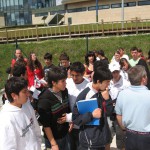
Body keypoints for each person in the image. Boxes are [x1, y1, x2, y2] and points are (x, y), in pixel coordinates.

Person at [72, 66, 113, 150]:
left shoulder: (104, 92)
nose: (108, 85)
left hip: (102, 139)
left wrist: (108, 100)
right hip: (90, 142)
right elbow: (75, 118)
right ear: (98, 81)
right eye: (107, 82)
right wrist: (91, 115)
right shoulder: (85, 95)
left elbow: (109, 113)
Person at [0, 77, 42, 150]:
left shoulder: (27, 105)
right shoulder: (6, 119)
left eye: (27, 90)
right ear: (14, 96)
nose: (28, 94)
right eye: (24, 92)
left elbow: (36, 129)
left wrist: (38, 143)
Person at [115, 65, 150, 150]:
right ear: (144, 78)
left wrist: (124, 128)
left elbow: (119, 115)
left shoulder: (122, 94)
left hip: (130, 134)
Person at [37, 66, 71, 150]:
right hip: (54, 140)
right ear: (54, 83)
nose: (65, 83)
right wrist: (53, 144)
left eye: (65, 80)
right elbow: (46, 125)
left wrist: (70, 121)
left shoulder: (64, 91)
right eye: (62, 81)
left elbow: (67, 109)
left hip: (66, 134)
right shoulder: (44, 100)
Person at [66, 62, 89, 150]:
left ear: (83, 74)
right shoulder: (67, 83)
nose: (74, 78)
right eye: (72, 75)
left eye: (77, 75)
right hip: (69, 124)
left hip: (83, 124)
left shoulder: (88, 85)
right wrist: (70, 119)